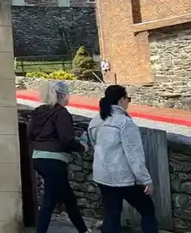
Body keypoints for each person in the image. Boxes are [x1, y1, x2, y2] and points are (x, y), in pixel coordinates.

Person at [87, 85, 157, 233]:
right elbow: (134, 155)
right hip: (123, 176)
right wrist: (145, 180)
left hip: (102, 175)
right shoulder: (125, 123)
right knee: (147, 210)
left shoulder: (96, 120)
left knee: (112, 214)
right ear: (121, 100)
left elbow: (94, 143)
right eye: (128, 99)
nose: (128, 103)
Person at [27, 80, 90, 233]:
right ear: (62, 95)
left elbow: (30, 134)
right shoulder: (61, 113)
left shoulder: (37, 112)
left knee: (68, 198)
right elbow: (66, 139)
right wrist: (82, 147)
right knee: (49, 202)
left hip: (39, 158)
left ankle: (83, 230)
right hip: (55, 160)